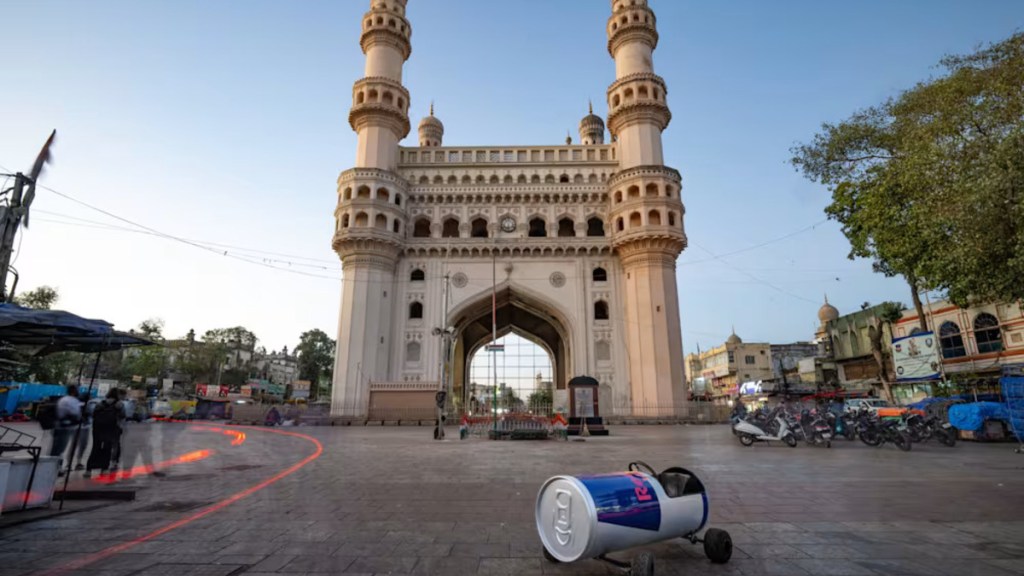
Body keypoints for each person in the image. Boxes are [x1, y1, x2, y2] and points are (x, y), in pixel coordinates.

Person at [84, 388, 125, 479]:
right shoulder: (119, 404)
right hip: (111, 428)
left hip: (98, 428)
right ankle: (104, 469)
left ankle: (88, 470)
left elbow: (94, 415)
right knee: (107, 448)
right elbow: (123, 415)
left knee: (95, 447)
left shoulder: (100, 403)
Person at [49, 385, 82, 474]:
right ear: (74, 391)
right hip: (66, 427)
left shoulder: (63, 399)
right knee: (60, 448)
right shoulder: (73, 401)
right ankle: (56, 468)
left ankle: (52, 466)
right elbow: (77, 414)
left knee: (55, 448)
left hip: (58, 426)